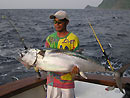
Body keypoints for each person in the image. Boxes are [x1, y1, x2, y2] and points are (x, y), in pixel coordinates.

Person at [45, 10, 80, 98]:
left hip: (67, 82)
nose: (57, 24)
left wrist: (77, 68)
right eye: (55, 22)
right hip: (52, 82)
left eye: (60, 22)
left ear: (67, 22)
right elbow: (46, 57)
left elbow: (78, 59)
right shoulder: (50, 38)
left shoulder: (73, 38)